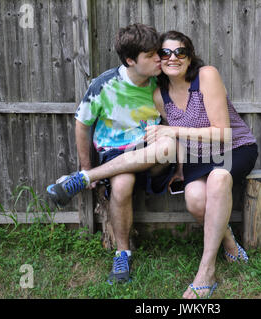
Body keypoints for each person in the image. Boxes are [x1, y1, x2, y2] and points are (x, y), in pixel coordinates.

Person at [46, 24, 178, 285]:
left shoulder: (162, 83)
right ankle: (122, 254)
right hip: (114, 156)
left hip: (152, 154)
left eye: (158, 53)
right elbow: (82, 124)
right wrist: (86, 161)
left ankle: (82, 178)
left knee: (166, 146)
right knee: (122, 182)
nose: (159, 59)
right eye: (151, 55)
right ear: (130, 60)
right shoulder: (103, 85)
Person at [149, 30, 258, 299]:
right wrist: (179, 171)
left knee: (219, 178)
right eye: (166, 53)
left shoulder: (206, 75)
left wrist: (174, 131)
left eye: (180, 52)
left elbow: (223, 132)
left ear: (189, 56)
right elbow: (183, 142)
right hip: (199, 157)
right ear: (158, 60)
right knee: (195, 200)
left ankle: (206, 273)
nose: (173, 57)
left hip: (235, 148)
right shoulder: (159, 96)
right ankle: (230, 243)